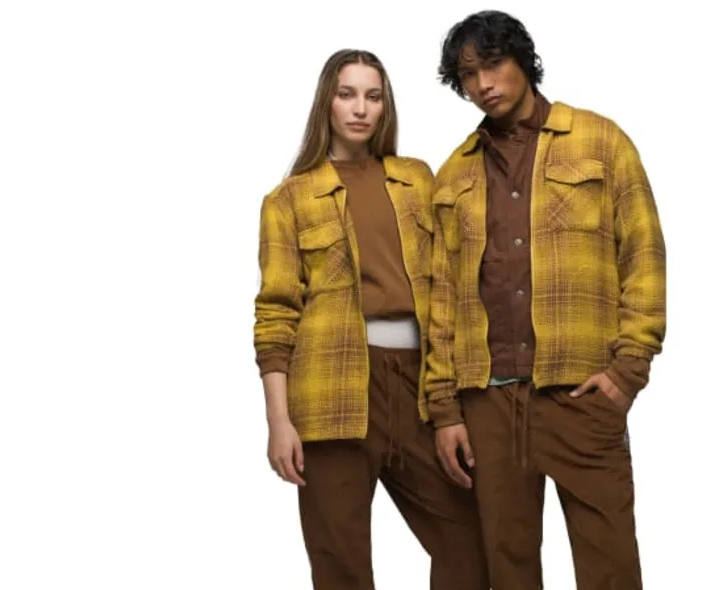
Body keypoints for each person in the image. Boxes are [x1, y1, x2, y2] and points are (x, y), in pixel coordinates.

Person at [425, 11, 667, 589]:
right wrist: (446, 409)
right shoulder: (453, 173)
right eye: (468, 75)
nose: (483, 84)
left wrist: (628, 370)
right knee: (506, 565)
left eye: (493, 64)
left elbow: (644, 254)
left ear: (522, 61)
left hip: (580, 392)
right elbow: (441, 298)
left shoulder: (600, 141)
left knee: (609, 563)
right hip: (487, 399)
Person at [253, 48, 488, 590]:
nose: (360, 108)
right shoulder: (288, 200)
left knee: (470, 541)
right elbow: (276, 314)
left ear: (386, 107)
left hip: (418, 385)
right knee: (341, 565)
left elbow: (451, 283)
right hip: (329, 390)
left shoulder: (416, 180)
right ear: (327, 103)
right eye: (347, 94)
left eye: (373, 96)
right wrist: (279, 420)